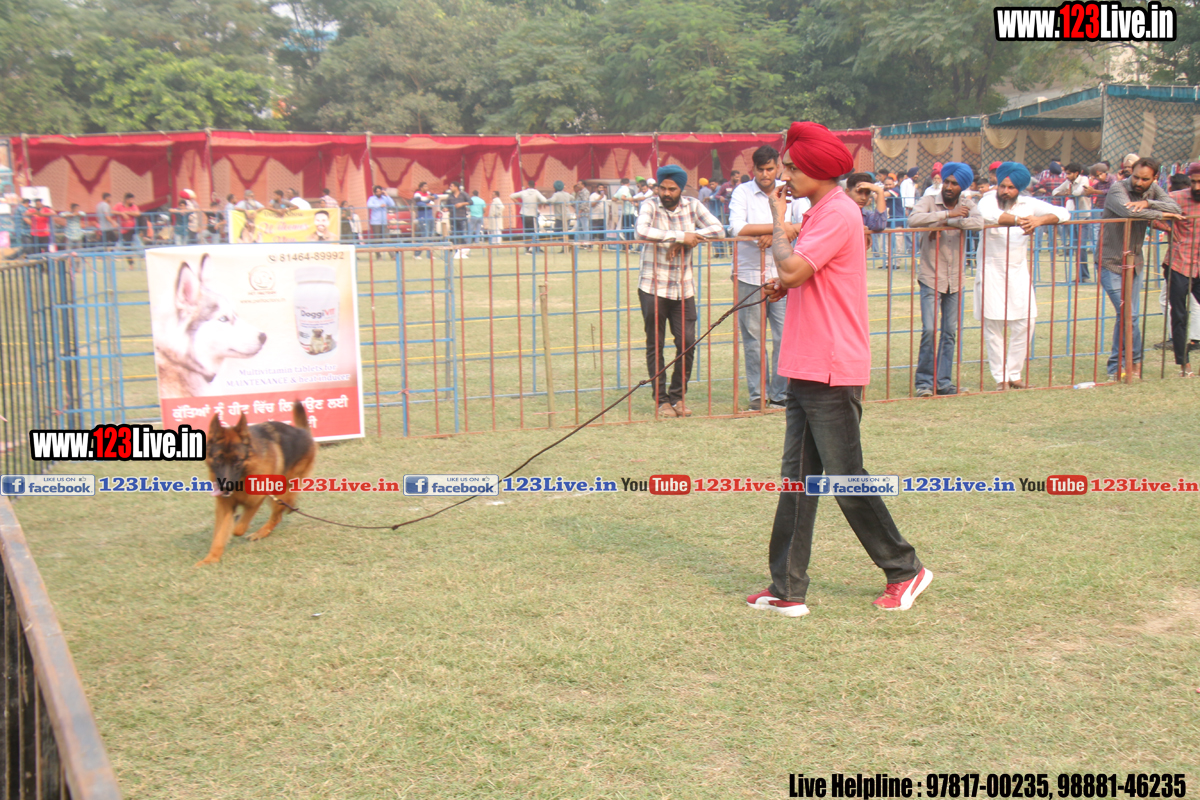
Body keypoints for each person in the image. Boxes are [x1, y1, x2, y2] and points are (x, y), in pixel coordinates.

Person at [747, 121, 931, 618]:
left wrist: (778, 222)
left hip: (831, 364)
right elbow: (805, 277)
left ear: (815, 170)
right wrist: (787, 280)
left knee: (846, 478)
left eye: (791, 167)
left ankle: (905, 569)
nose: (784, 175)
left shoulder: (836, 211)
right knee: (798, 480)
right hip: (806, 361)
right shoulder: (821, 211)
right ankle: (787, 587)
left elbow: (793, 268)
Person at [635, 164, 724, 418]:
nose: (666, 193)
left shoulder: (692, 205)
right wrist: (679, 237)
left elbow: (718, 229)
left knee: (687, 342)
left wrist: (690, 236)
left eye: (672, 189)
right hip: (652, 286)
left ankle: (678, 397)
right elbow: (641, 231)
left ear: (681, 189)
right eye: (662, 188)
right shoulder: (650, 205)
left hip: (683, 288)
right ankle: (661, 400)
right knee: (655, 344)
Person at [974, 162, 1069, 391]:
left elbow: (1063, 213)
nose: (1005, 191)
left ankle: (1014, 375)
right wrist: (1020, 221)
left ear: (1019, 189)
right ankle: (1001, 378)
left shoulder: (1028, 203)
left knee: (1026, 322)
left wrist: (1038, 220)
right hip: (991, 271)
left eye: (1011, 188)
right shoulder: (988, 199)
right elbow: (988, 215)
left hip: (1018, 271)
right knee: (994, 325)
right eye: (1003, 186)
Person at [728, 145, 807, 411]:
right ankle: (757, 395)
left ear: (778, 168)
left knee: (785, 337)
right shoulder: (742, 192)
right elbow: (738, 227)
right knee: (753, 340)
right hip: (749, 275)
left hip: (784, 275)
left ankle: (780, 395)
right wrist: (779, 230)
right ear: (753, 169)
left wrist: (774, 234)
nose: (765, 174)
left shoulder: (790, 191)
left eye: (770, 169)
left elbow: (806, 222)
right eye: (760, 169)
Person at [1096, 157, 1183, 381]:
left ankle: (1125, 365)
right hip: (1110, 261)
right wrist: (1161, 215)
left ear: (1154, 178)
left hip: (1134, 262)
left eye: (1145, 179)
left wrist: (1149, 204)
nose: (1139, 182)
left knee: (1128, 316)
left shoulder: (1153, 190)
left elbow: (1176, 207)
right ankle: (1126, 364)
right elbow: (1129, 212)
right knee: (1128, 314)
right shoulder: (1118, 189)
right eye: (1136, 177)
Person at [907, 162, 983, 397]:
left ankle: (943, 382)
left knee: (949, 332)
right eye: (946, 182)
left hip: (955, 278)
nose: (949, 187)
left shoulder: (967, 204)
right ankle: (924, 383)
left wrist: (948, 222)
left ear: (962, 186)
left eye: (954, 184)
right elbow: (913, 219)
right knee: (930, 330)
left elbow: (978, 222)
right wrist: (947, 214)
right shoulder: (929, 200)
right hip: (931, 275)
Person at [1163, 163, 1200, 376]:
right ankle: (1184, 364)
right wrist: (1166, 226)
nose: (1196, 187)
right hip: (1179, 262)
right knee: (1179, 314)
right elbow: (1150, 212)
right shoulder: (1177, 198)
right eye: (1193, 182)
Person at [510, 181, 549, 253]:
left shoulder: (523, 192)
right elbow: (544, 200)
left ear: (528, 185)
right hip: (532, 215)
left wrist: (518, 203)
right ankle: (536, 247)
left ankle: (528, 248)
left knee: (527, 231)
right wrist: (540, 204)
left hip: (524, 214)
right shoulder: (536, 192)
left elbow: (512, 196)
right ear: (534, 186)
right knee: (535, 231)